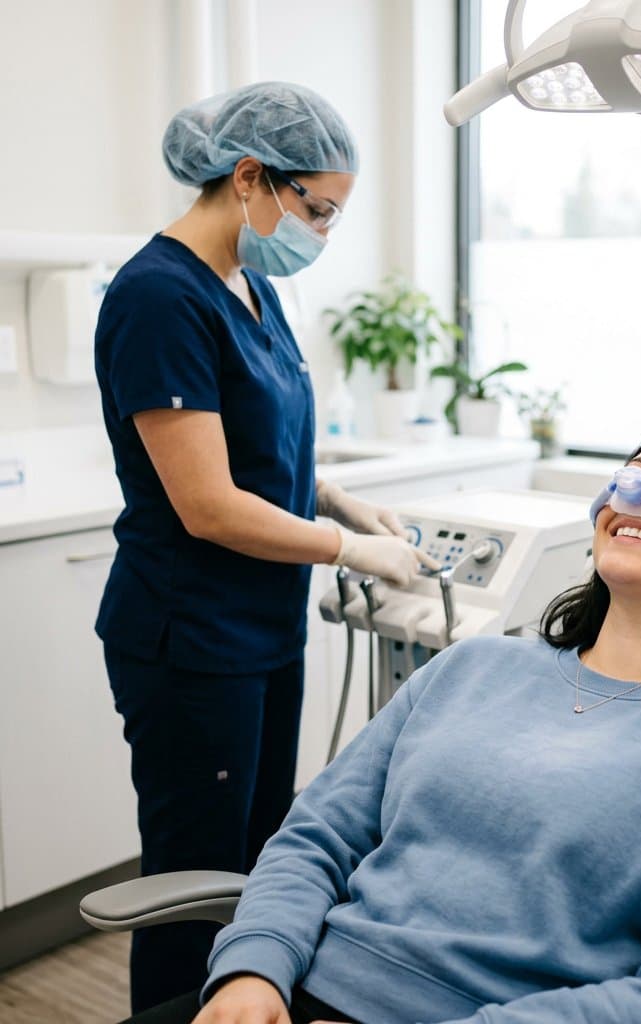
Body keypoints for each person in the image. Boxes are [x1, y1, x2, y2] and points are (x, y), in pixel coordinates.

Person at [122, 418, 641, 1024]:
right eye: (636, 468)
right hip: (295, 992)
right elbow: (318, 835)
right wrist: (252, 969)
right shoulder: (476, 668)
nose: (640, 489)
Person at [94, 81, 438, 1013]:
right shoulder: (159, 298)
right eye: (316, 209)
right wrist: (347, 551)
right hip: (191, 641)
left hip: (261, 630)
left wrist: (340, 499)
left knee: (257, 868)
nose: (320, 233)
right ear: (250, 177)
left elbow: (257, 442)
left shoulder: (252, 283)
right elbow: (207, 505)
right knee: (191, 881)